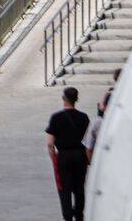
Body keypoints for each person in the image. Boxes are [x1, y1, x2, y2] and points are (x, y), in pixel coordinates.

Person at [46, 86, 91, 221]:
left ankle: (67, 217)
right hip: (80, 155)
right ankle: (79, 216)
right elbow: (88, 140)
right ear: (76, 99)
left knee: (64, 189)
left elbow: (50, 143)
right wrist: (88, 159)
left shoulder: (56, 117)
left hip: (64, 156)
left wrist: (54, 158)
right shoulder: (84, 117)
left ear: (63, 99)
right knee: (79, 188)